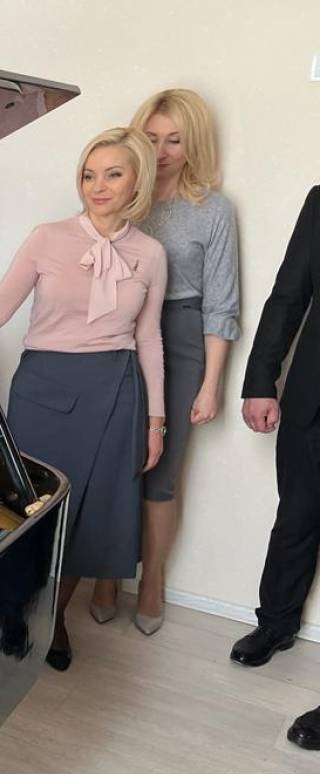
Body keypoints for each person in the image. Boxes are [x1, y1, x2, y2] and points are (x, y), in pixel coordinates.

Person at [0, 127, 167, 671]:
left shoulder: (151, 254)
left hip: (115, 392)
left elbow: (149, 338)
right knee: (28, 510)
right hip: (45, 387)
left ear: (137, 180)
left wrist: (155, 422)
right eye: (89, 174)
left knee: (89, 519)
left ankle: (54, 616)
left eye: (113, 174)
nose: (98, 186)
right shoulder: (48, 237)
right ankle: (10, 608)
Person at [92, 89, 240, 635]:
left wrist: (211, 383)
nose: (162, 151)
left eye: (175, 140)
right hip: (118, 332)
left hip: (180, 335)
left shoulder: (213, 210)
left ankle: (151, 579)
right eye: (152, 138)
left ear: (194, 143)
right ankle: (107, 574)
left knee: (162, 472)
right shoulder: (122, 196)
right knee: (114, 464)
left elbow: (222, 304)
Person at [231, 185, 320, 751]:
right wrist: (261, 380)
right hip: (313, 402)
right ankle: (275, 624)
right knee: (296, 521)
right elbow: (288, 296)